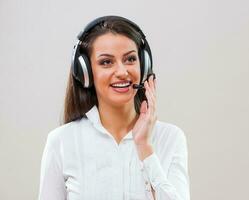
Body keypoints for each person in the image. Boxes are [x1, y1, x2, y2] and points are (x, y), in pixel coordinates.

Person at [38, 16, 190, 200]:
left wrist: (144, 147)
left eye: (130, 59)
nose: (122, 72)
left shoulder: (171, 138)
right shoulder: (61, 142)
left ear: (144, 63)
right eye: (106, 62)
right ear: (85, 72)